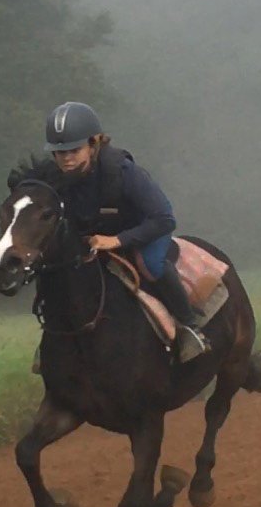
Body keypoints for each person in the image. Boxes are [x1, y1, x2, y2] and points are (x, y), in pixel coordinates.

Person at [44, 101, 209, 356]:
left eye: (74, 150)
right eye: (59, 152)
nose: (66, 159)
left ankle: (190, 327)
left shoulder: (122, 171)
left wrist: (118, 240)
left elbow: (164, 219)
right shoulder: (57, 176)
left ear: (94, 143)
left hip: (146, 230)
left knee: (152, 264)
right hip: (97, 235)